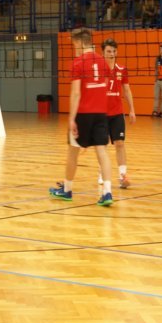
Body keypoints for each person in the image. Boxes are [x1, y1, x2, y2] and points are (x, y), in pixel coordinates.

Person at [48, 27, 113, 206]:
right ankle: (107, 192)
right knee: (102, 152)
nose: (74, 48)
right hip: (100, 113)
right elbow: (105, 84)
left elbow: (76, 93)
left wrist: (71, 119)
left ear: (79, 42)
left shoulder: (78, 63)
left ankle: (67, 190)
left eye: (74, 44)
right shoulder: (103, 61)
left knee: (72, 153)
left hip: (83, 113)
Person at [102, 39, 136, 189]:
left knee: (120, 143)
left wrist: (132, 110)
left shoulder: (122, 69)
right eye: (108, 51)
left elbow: (127, 90)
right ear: (103, 52)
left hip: (117, 113)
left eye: (114, 51)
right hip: (101, 113)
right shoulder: (98, 69)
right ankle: (102, 172)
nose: (111, 54)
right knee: (102, 146)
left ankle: (123, 176)